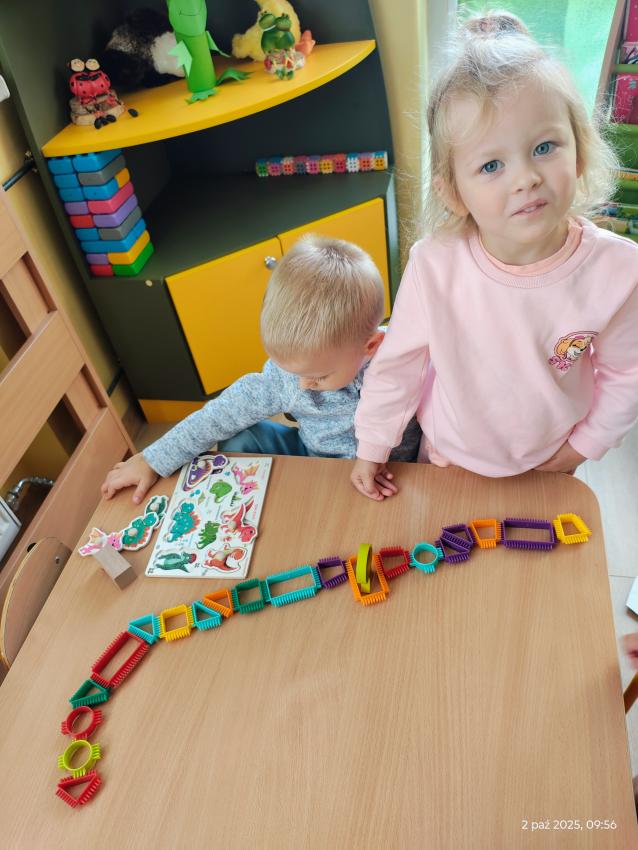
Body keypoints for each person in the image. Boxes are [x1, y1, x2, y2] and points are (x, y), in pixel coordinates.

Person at [350, 11, 638, 500]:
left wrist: (581, 448)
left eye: (544, 146)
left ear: (580, 151)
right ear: (453, 192)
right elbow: (399, 365)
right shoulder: (434, 265)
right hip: (446, 458)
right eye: (491, 165)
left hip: (552, 462)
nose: (525, 178)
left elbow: (626, 374)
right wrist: (373, 444)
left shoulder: (619, 270)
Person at [102, 234, 420, 503]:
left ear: (371, 346)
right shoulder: (285, 380)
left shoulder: (404, 357)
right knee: (242, 437)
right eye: (292, 371)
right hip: (315, 459)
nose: (303, 384)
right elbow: (219, 415)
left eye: (319, 376)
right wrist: (152, 460)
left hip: (395, 472)